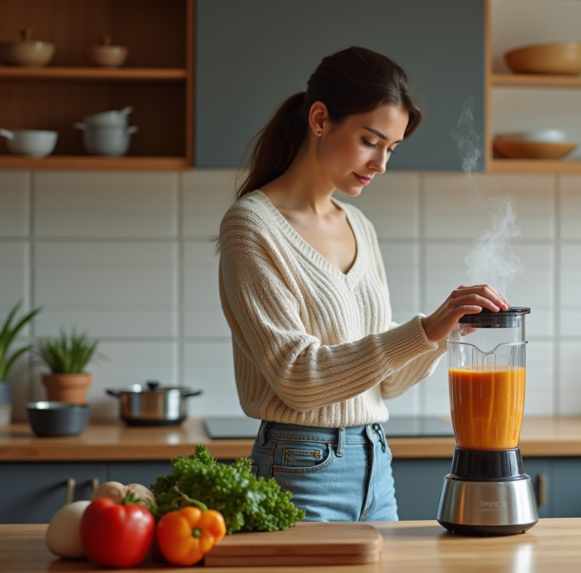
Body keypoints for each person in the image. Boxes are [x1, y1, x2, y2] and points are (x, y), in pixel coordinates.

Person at [218, 46, 509, 522]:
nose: (381, 164)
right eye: (370, 141)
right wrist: (423, 330)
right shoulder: (252, 227)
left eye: (391, 148)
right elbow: (298, 379)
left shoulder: (359, 226)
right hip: (300, 466)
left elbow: (386, 382)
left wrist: (443, 334)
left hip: (376, 464)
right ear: (319, 119)